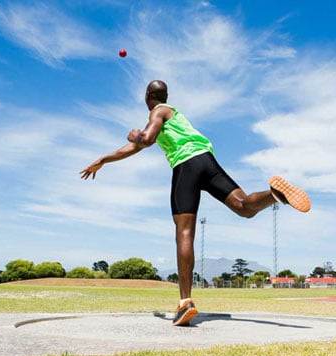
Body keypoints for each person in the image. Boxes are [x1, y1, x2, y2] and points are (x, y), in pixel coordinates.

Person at [80, 80, 311, 326]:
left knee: (185, 232)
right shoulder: (173, 117)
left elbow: (144, 139)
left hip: (185, 166)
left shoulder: (158, 111)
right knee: (243, 207)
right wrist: (103, 159)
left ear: (148, 95)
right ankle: (275, 195)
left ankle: (185, 302)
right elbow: (134, 148)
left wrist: (135, 134)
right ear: (166, 95)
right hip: (206, 161)